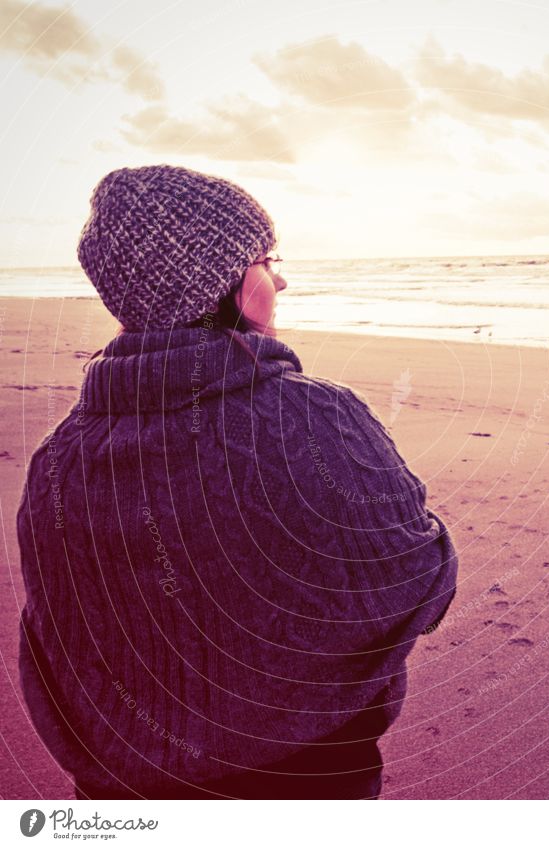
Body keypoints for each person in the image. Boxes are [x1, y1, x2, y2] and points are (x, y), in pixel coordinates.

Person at [16, 165, 458, 800]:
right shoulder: (317, 417)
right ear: (232, 282)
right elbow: (419, 579)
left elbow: (57, 648)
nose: (279, 278)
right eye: (267, 258)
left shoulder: (56, 460)